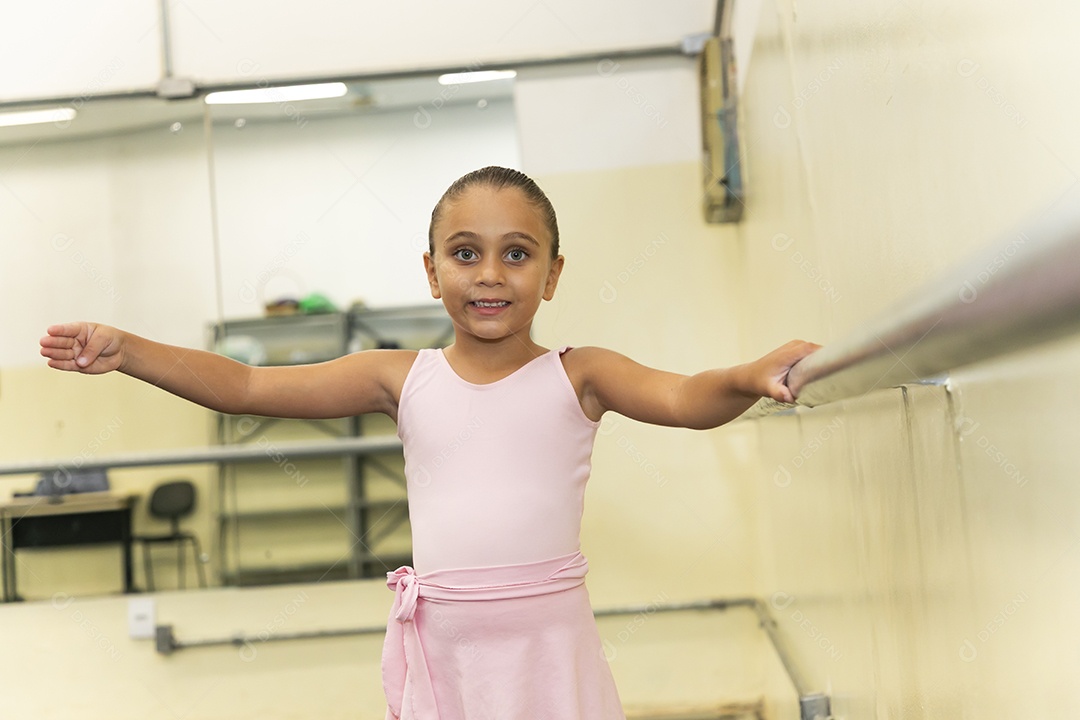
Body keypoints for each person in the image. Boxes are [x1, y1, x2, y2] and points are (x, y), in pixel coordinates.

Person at [40, 166, 818, 719]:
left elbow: (684, 399)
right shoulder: (399, 377)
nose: (489, 274)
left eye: (517, 253)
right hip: (447, 650)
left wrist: (749, 374)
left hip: (549, 648)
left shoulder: (581, 375)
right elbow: (246, 387)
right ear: (431, 269)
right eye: (465, 252)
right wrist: (130, 351)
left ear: (551, 275)